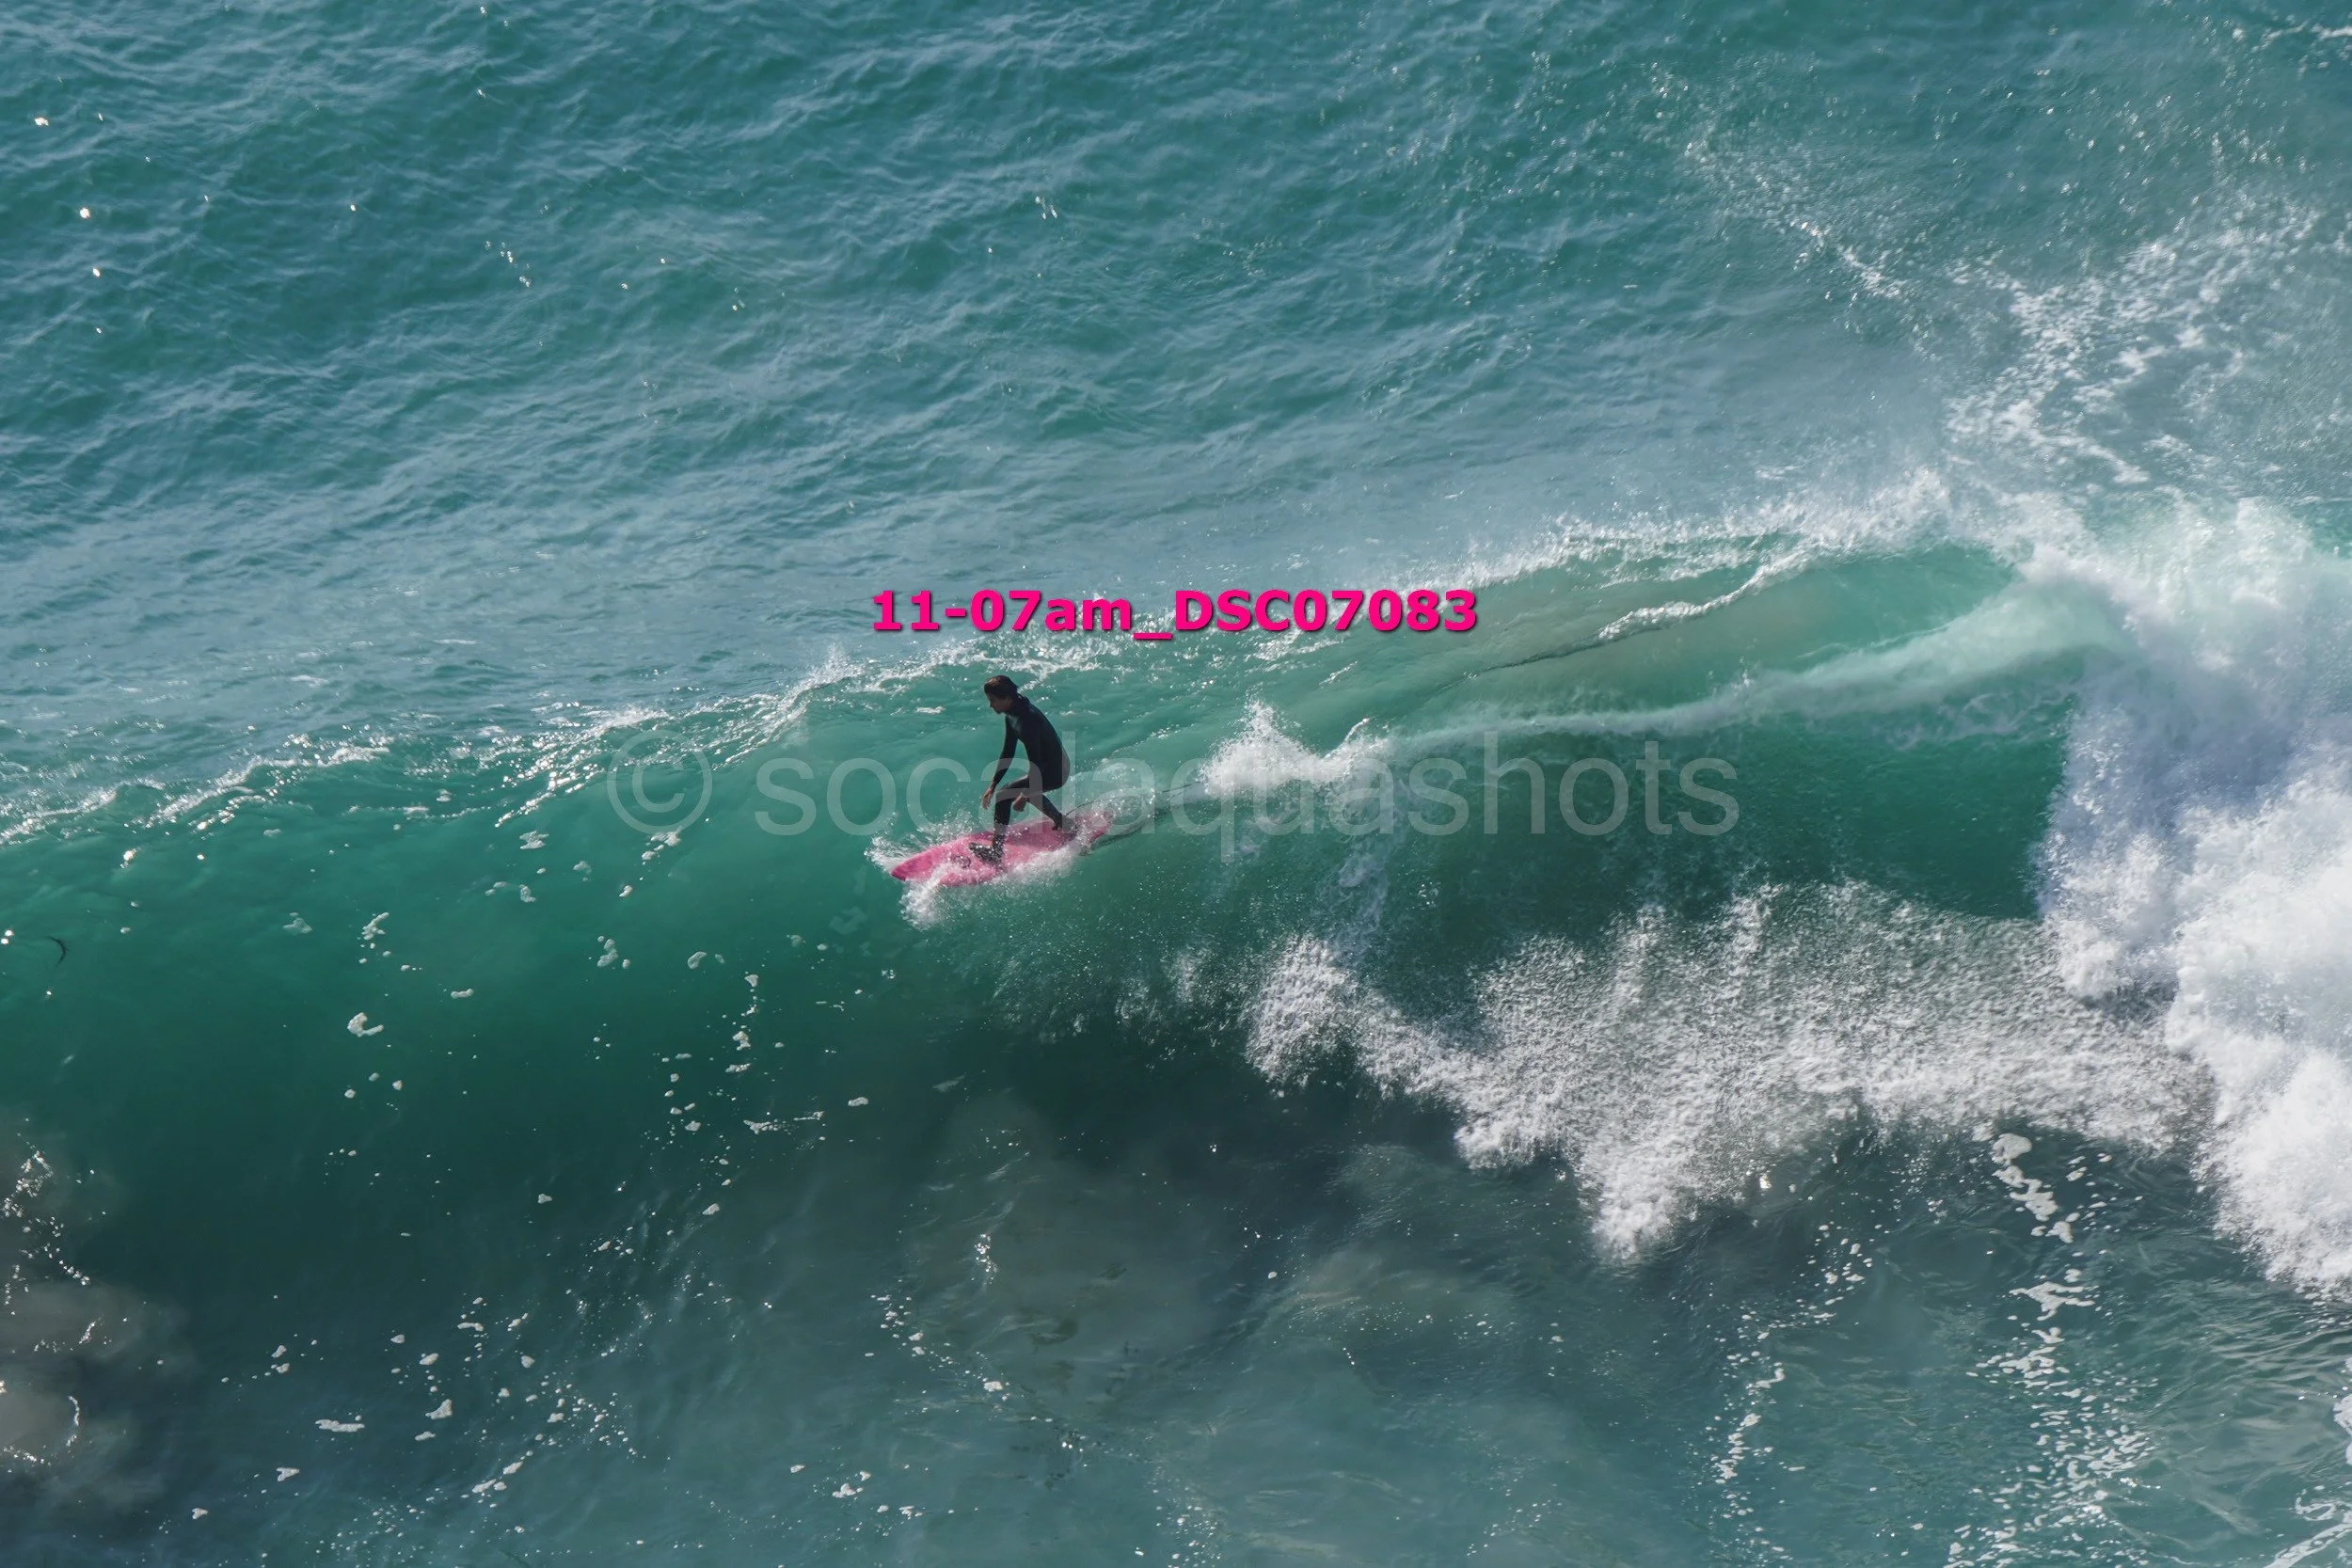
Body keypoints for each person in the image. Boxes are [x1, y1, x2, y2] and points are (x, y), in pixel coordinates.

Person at [974, 674, 1069, 862]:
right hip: (1047, 767)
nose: (990, 705)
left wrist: (1025, 795)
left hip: (1056, 771)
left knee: (1006, 795)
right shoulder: (1012, 714)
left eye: (992, 700)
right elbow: (1008, 752)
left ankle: (996, 852)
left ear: (1006, 698)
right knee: (1009, 791)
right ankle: (1062, 822)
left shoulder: (1028, 720)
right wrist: (993, 784)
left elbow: (1037, 763)